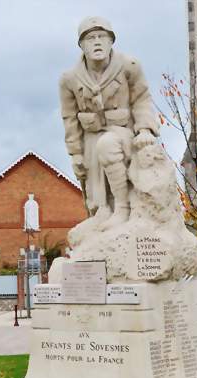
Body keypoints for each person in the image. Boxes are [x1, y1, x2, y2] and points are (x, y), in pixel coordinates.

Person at [59, 16, 158, 233]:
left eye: (101, 36)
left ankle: (122, 208)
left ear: (111, 41)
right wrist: (75, 153)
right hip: (89, 137)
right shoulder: (69, 79)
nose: (96, 42)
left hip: (121, 132)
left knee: (106, 145)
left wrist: (144, 130)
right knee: (94, 156)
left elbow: (141, 98)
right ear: (82, 45)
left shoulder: (129, 66)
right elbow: (69, 118)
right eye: (90, 38)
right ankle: (101, 210)